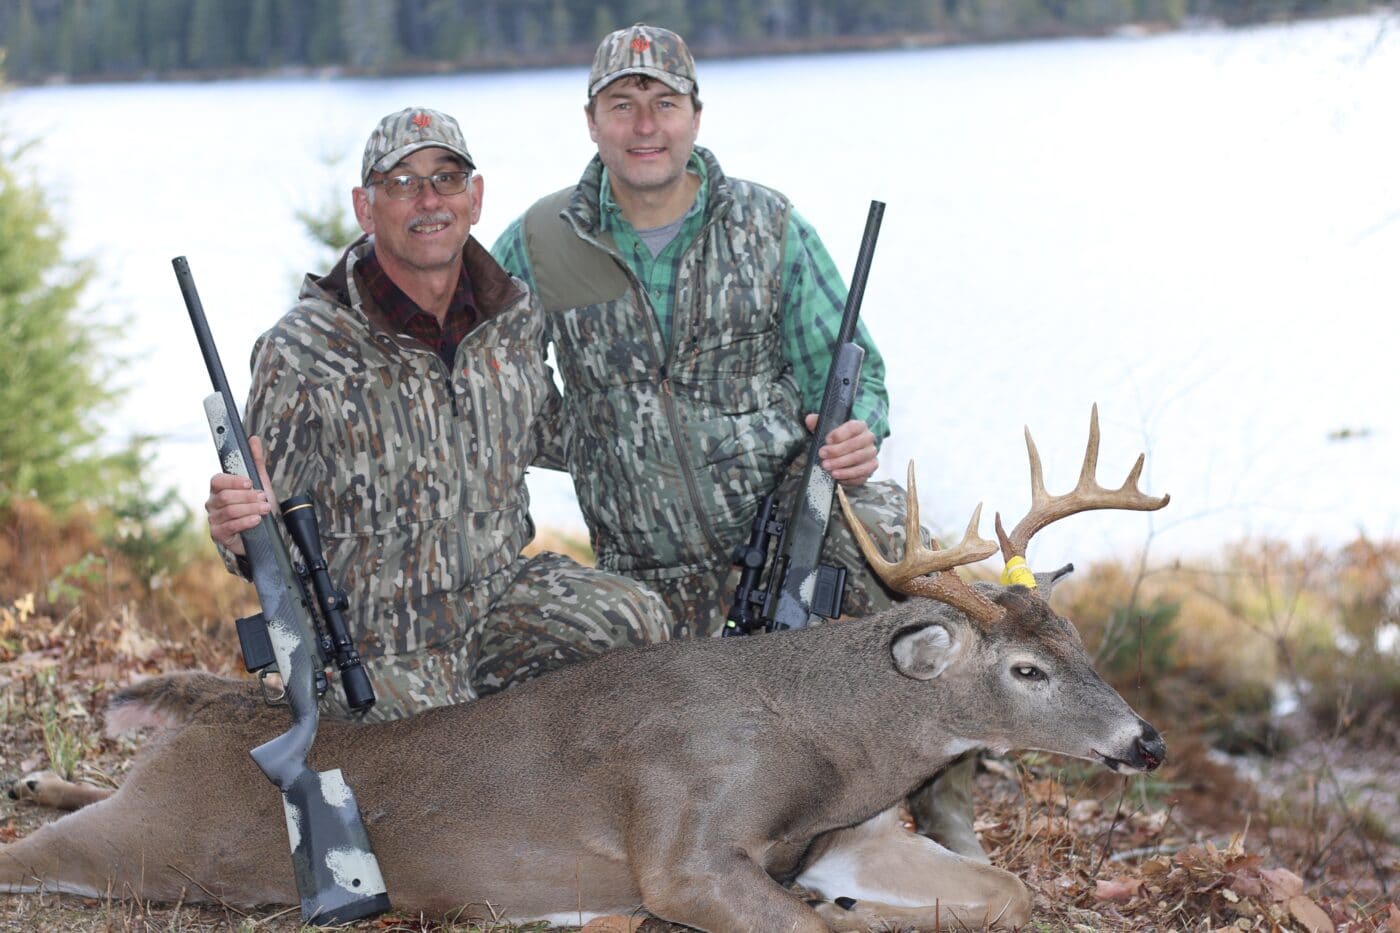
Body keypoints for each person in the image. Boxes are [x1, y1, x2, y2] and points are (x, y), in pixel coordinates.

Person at [491, 26, 984, 859]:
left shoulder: (767, 223)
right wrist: (591, 437)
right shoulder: (540, 241)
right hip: (645, 571)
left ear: (695, 116)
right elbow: (481, 381)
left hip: (783, 528)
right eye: (623, 104)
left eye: (664, 103)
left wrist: (858, 432)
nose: (645, 125)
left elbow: (850, 369)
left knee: (914, 578)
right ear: (592, 122)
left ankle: (946, 813)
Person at [205, 107, 671, 723]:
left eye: (447, 178)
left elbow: (562, 431)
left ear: (474, 198)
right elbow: (264, 531)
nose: (428, 199)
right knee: (450, 764)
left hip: (498, 599)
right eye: (401, 182)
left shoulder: (510, 319)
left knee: (634, 621)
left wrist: (695, 413)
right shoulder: (301, 350)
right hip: (379, 636)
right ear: (365, 207)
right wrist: (235, 532)